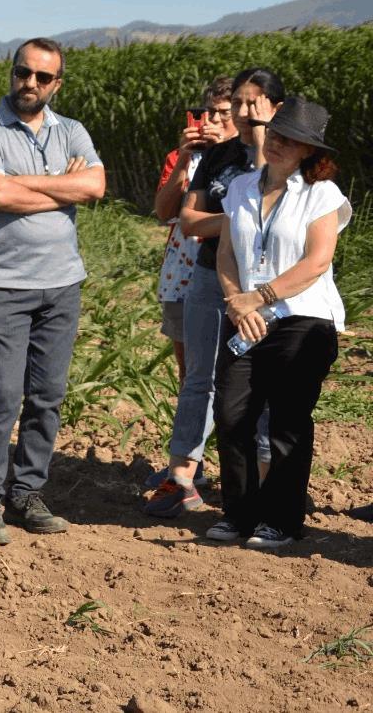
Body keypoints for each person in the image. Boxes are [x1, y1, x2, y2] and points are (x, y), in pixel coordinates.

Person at [0, 38, 106, 545]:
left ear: (56, 84)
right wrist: (60, 187)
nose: (30, 83)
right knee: (3, 395)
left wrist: (23, 184)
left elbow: (94, 187)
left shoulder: (72, 131)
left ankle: (27, 493)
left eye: (43, 77)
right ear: (12, 73)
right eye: (23, 72)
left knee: (47, 396)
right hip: (2, 284)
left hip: (61, 283)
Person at [208, 97, 350, 549]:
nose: (279, 143)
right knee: (231, 415)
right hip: (246, 318)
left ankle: (282, 521)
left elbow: (317, 262)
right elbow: (226, 253)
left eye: (292, 140)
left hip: (302, 319)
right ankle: (239, 514)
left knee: (287, 421)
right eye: (276, 133)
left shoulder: (321, 195)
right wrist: (238, 303)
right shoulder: (240, 187)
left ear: (309, 150)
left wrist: (259, 297)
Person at [144, 68, 284, 518]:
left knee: (265, 383)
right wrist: (243, 221)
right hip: (209, 275)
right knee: (198, 378)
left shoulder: (288, 153)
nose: (243, 111)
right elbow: (188, 221)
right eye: (237, 102)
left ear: (275, 107)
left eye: (253, 103)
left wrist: (261, 146)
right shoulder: (218, 156)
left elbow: (284, 216)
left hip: (267, 284)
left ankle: (268, 482)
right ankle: (182, 476)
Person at [139, 75, 233, 501]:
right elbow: (163, 211)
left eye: (223, 114)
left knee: (233, 378)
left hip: (228, 276)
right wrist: (184, 161)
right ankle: (194, 465)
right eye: (208, 113)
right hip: (183, 274)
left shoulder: (251, 160)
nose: (213, 122)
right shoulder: (183, 157)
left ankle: (232, 462)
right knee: (192, 377)